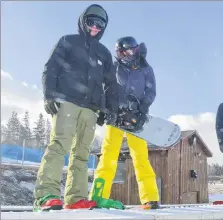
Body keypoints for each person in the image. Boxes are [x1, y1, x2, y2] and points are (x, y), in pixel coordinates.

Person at [33, 4, 115, 211]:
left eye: (100, 24)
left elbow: (109, 85)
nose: (95, 27)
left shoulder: (104, 54)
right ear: (83, 21)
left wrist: (103, 108)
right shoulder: (68, 41)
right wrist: (49, 94)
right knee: (59, 145)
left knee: (82, 153)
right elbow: (51, 68)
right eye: (91, 22)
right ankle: (46, 194)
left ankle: (76, 197)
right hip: (67, 101)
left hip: (90, 109)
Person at [89, 37, 160, 210]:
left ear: (135, 50)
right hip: (115, 116)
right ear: (118, 53)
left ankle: (150, 197)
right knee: (108, 156)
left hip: (135, 118)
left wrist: (143, 108)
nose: (127, 54)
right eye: (123, 52)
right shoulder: (113, 67)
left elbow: (150, 91)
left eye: (130, 50)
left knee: (140, 157)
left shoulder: (145, 68)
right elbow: (105, 89)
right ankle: (98, 195)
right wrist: (103, 109)